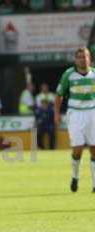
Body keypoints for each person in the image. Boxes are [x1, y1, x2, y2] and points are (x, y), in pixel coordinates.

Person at [55, 47, 95, 192]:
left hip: (92, 113)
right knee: (77, 149)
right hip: (75, 114)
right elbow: (59, 95)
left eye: (85, 56)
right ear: (75, 59)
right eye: (79, 57)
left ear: (89, 58)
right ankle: (75, 177)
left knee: (94, 148)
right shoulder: (69, 75)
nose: (82, 59)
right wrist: (57, 114)